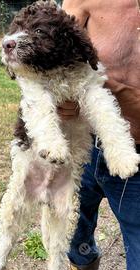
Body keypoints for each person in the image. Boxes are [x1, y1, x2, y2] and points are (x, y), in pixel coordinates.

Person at [60, 1, 140, 270]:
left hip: (135, 160)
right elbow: (47, 54)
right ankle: (84, 257)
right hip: (84, 147)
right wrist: (60, 99)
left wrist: (123, 94)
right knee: (72, 237)